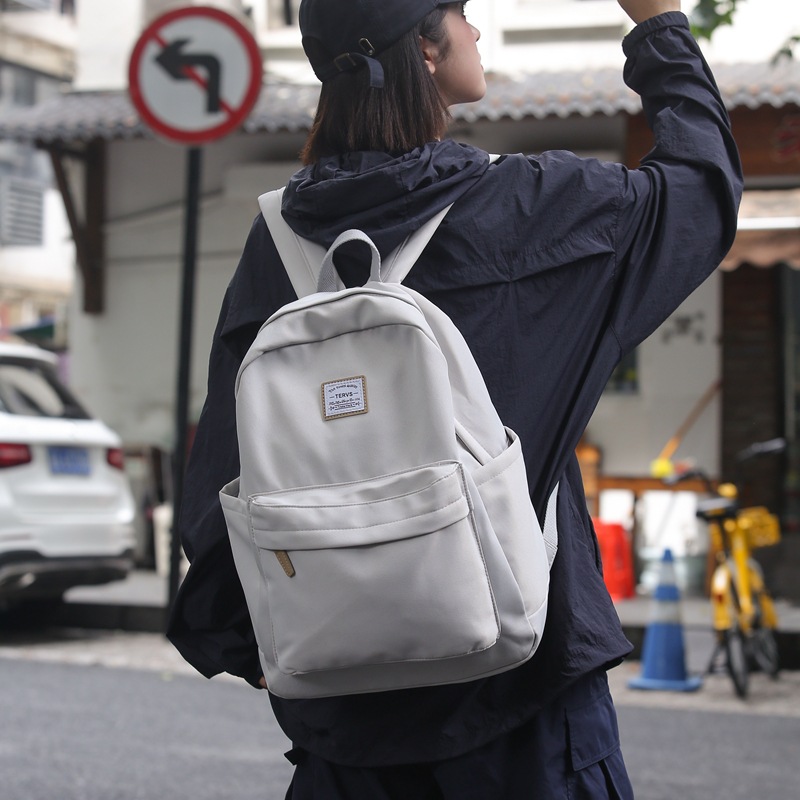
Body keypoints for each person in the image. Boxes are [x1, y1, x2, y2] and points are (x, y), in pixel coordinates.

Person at [167, 0, 742, 796]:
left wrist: (256, 643)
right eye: (462, 13)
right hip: (523, 718)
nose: (476, 29)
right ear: (426, 51)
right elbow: (699, 193)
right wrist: (659, 25)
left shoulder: (279, 240)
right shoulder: (527, 208)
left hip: (344, 736)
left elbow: (219, 486)